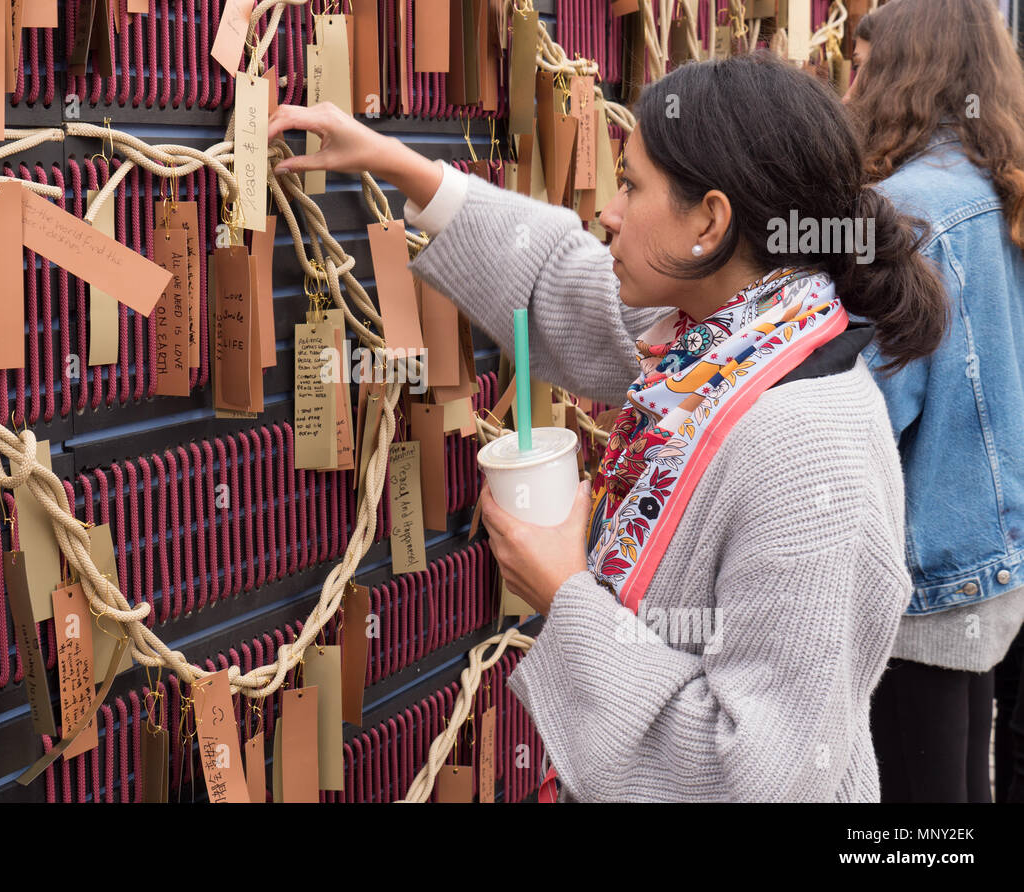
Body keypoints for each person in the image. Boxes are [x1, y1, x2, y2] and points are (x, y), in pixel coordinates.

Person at [267, 50, 949, 801]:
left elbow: (756, 778)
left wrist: (565, 593)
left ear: (711, 222)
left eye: (631, 184)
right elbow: (560, 282)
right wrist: (397, 163)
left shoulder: (807, 451)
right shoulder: (725, 348)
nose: (609, 211)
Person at [844, 0, 1024, 803]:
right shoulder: (1001, 191)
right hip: (988, 560)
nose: (847, 92)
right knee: (957, 789)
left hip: (917, 577)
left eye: (859, 69)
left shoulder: (910, 211)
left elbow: (862, 412)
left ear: (902, 77)